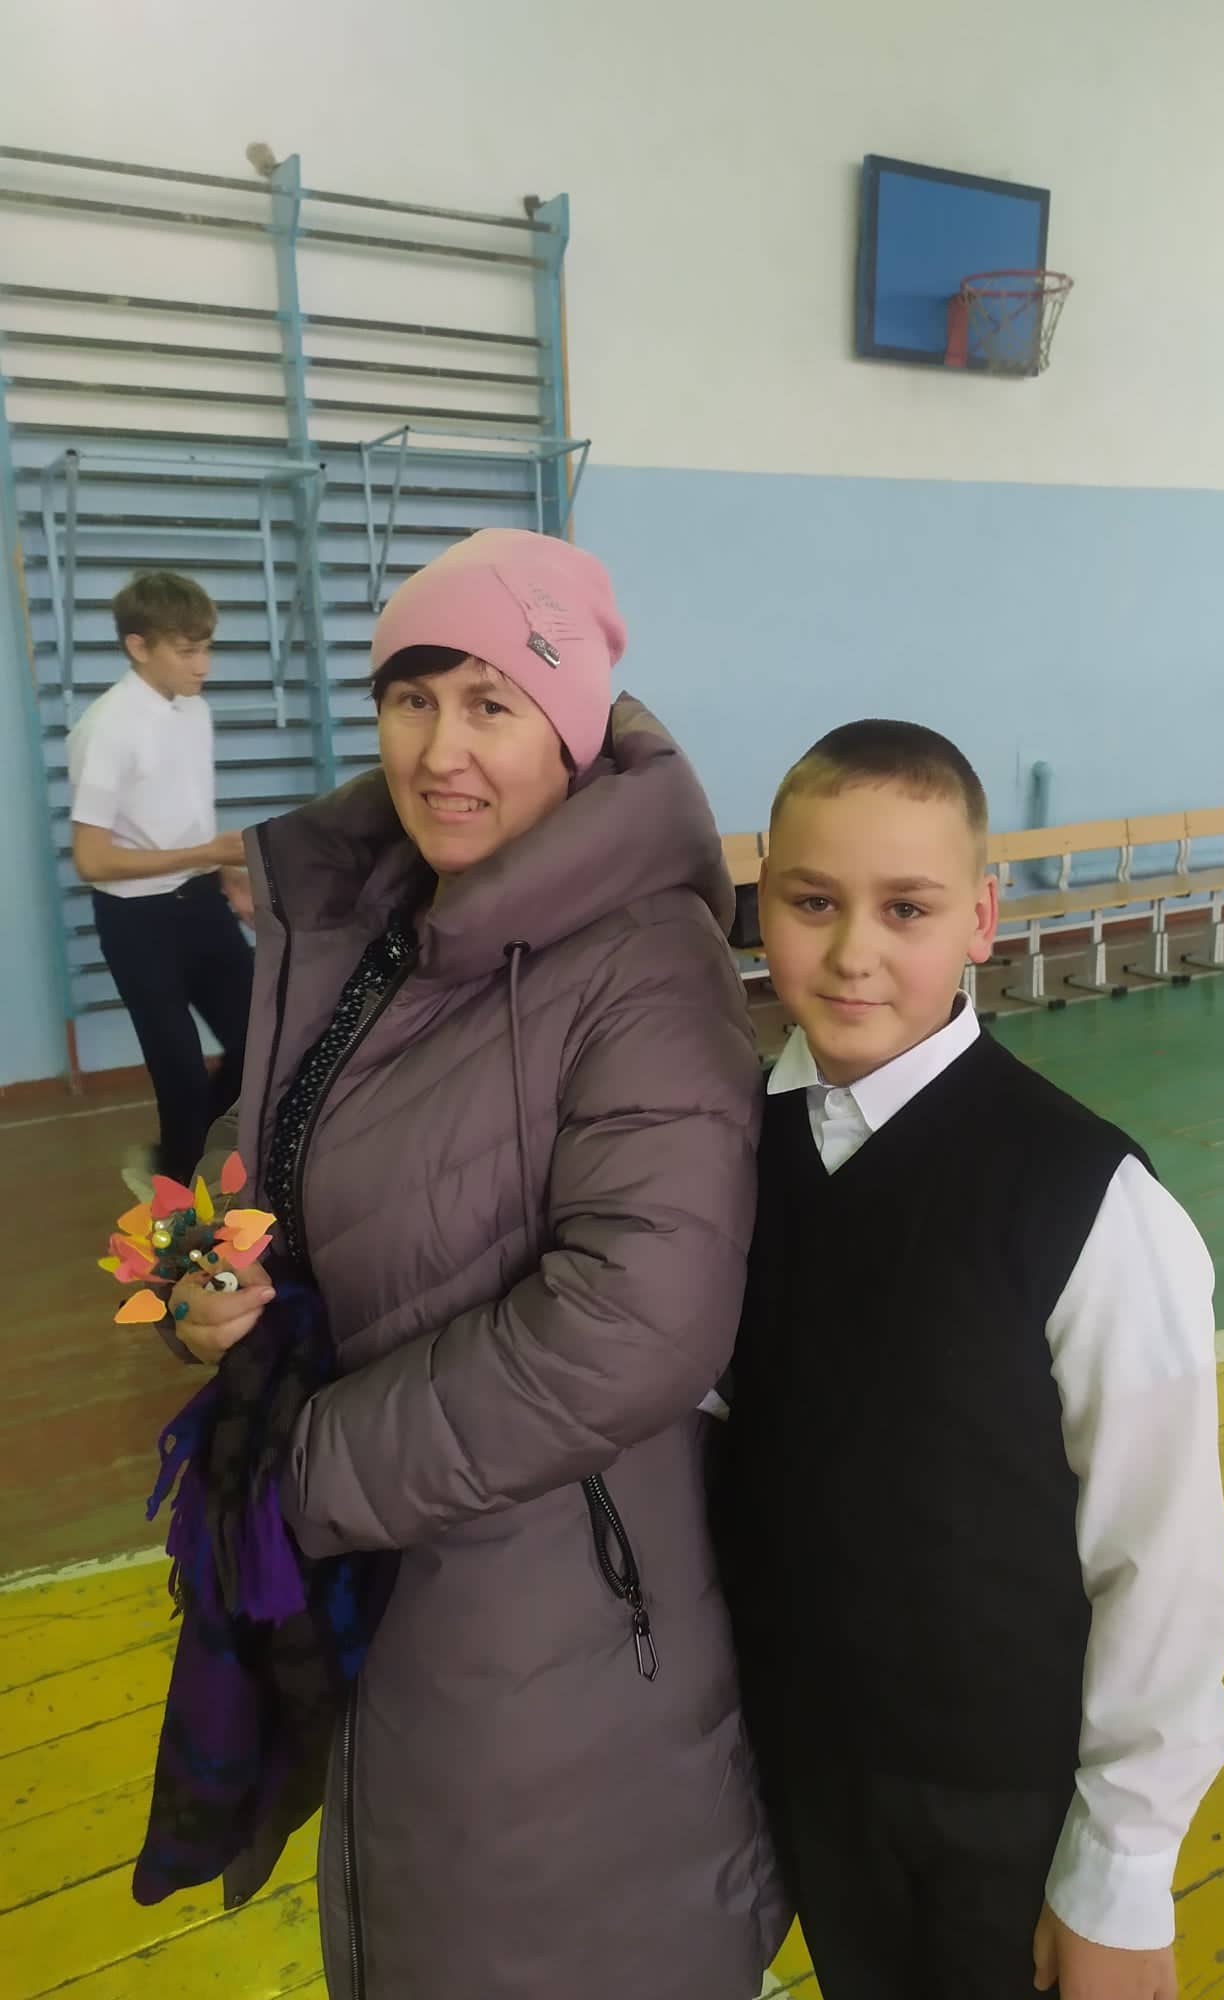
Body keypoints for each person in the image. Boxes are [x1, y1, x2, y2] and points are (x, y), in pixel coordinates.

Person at [158, 529, 785, 2000]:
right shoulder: (378, 912)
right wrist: (205, 1273)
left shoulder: (647, 964)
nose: (440, 751)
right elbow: (260, 1141)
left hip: (556, 1621)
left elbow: (638, 1319)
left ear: (568, 731)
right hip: (393, 1589)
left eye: (493, 705)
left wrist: (307, 1471)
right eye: (411, 699)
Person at [714, 720, 1224, 2000]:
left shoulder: (1087, 1199)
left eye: (907, 907)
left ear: (982, 919)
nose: (854, 950)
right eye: (813, 901)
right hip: (811, 1788)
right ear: (760, 901)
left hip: (1008, 1825)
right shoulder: (716, 1161)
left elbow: (1159, 1560)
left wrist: (1121, 1872)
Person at [68, 571, 253, 1195]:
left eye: (207, 647)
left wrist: (226, 873)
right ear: (138, 646)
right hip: (138, 923)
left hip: (201, 904)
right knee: (179, 1072)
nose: (204, 665)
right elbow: (92, 860)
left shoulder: (195, 711)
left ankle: (187, 1156)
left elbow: (183, 811)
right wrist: (207, 852)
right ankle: (183, 1192)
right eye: (187, 650)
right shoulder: (107, 727)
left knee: (263, 1039)